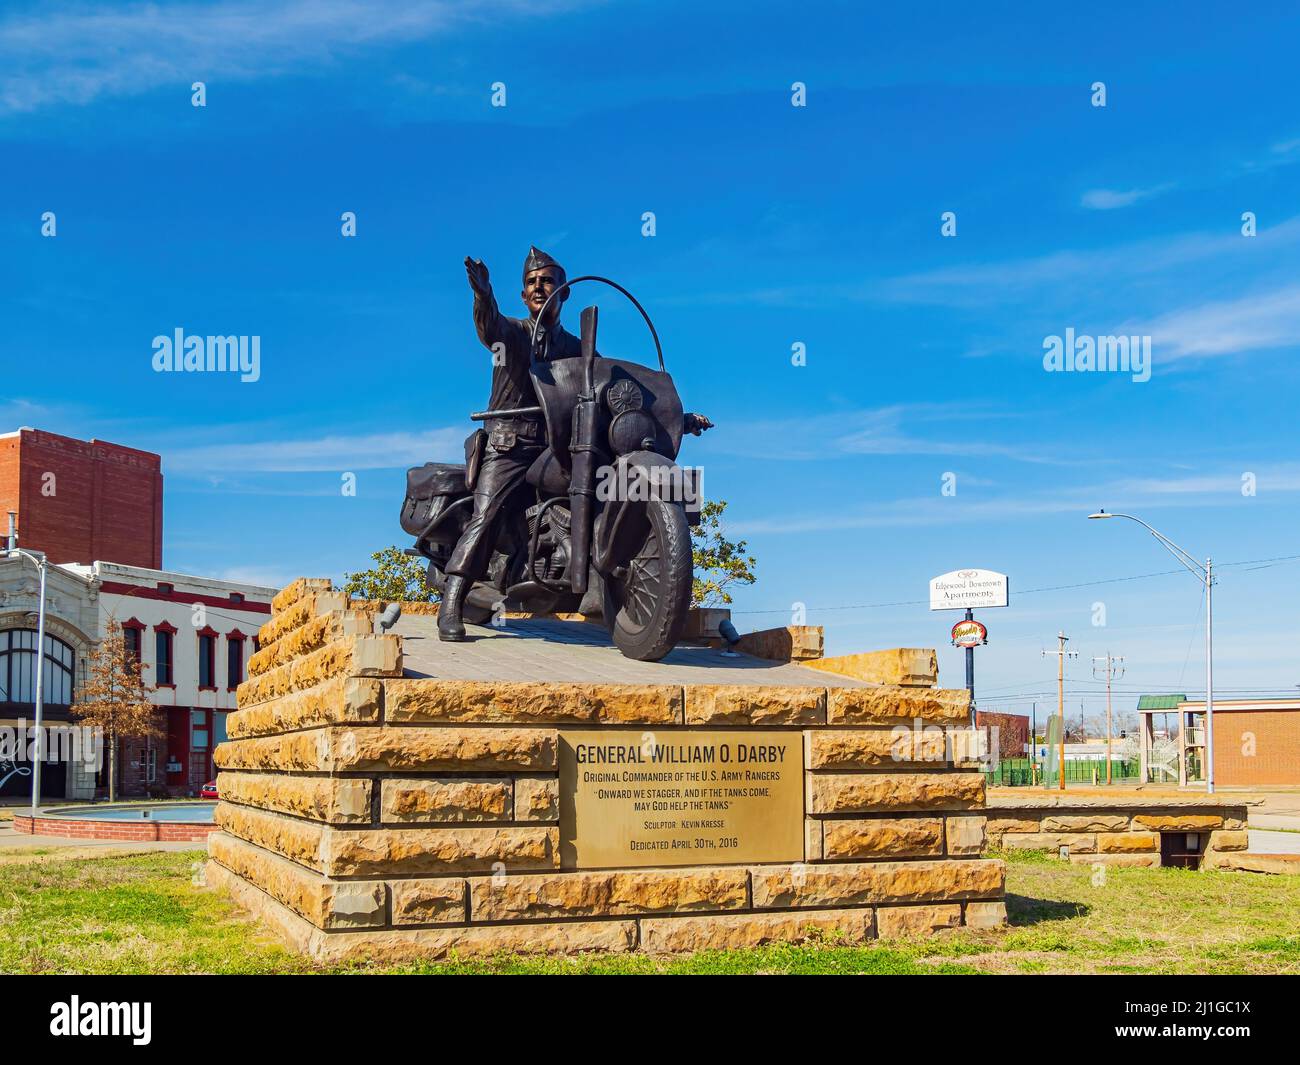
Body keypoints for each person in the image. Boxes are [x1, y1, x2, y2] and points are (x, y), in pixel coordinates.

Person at [440, 246, 713, 641]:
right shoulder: (512, 335)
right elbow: (489, 327)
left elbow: (607, 397)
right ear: (523, 295)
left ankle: (603, 590)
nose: (539, 287)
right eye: (532, 283)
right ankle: (452, 601)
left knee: (606, 485)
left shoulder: (578, 349)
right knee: (487, 515)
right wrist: (483, 294)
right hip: (510, 444)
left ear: (563, 291)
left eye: (547, 281)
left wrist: (679, 420)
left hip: (558, 449)